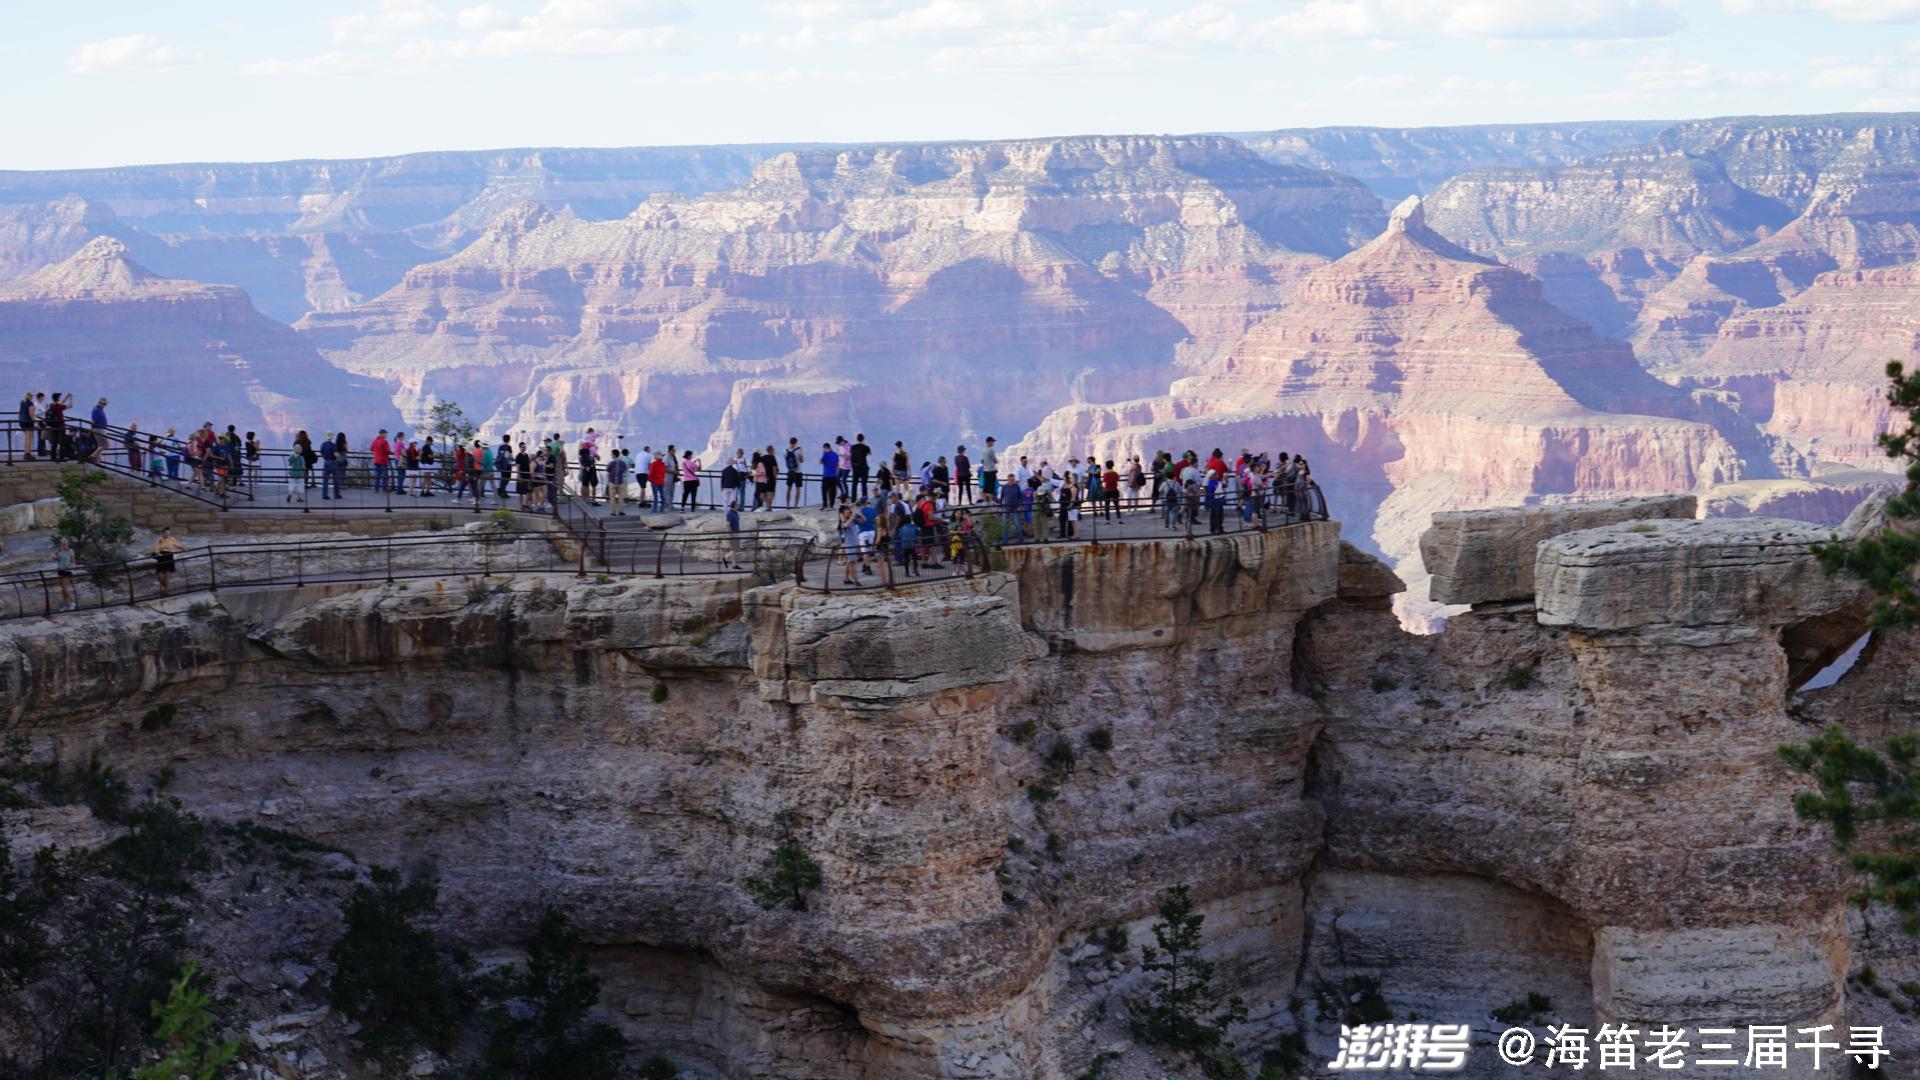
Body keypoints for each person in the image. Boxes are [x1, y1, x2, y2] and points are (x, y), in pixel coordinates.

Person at [152, 527, 184, 596]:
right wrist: (158, 553)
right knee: (160, 575)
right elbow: (156, 548)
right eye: (166, 533)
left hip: (169, 556)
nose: (168, 534)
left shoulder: (172, 539)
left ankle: (166, 591)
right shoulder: (159, 539)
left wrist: (182, 548)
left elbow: (177, 545)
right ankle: (167, 589)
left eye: (169, 533)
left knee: (167, 576)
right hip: (161, 557)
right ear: (163, 533)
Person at [838, 505, 862, 585]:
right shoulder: (844, 522)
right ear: (844, 514)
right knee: (852, 563)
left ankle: (846, 579)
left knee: (850, 562)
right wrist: (853, 515)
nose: (848, 514)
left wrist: (859, 513)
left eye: (849, 512)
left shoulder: (853, 520)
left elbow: (864, 520)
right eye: (846, 513)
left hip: (854, 544)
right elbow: (846, 525)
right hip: (849, 545)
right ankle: (855, 580)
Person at [54, 536, 77, 612]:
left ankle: (72, 602)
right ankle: (65, 604)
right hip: (59, 570)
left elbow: (73, 562)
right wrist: (56, 556)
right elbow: (55, 558)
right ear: (60, 544)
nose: (64, 545)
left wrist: (70, 566)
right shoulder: (58, 551)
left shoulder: (70, 551)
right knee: (62, 589)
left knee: (65, 587)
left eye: (65, 543)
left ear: (68, 544)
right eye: (62, 543)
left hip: (67, 570)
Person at [606, 449, 629, 515]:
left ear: (614, 455)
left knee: (612, 498)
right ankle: (621, 511)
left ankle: (613, 512)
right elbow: (625, 470)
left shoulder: (611, 463)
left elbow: (608, 471)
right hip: (620, 481)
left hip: (612, 482)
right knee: (621, 497)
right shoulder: (622, 463)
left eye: (611, 454)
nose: (611, 455)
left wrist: (608, 481)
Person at [818, 442, 839, 510]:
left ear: (825, 448)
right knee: (832, 491)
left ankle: (825, 505)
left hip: (826, 475)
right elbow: (837, 465)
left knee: (824, 490)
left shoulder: (825, 454)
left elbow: (820, 462)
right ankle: (831, 505)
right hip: (833, 475)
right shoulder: (835, 455)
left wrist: (823, 454)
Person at [721, 502, 742, 570]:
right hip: (732, 533)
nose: (738, 506)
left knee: (736, 549)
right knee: (734, 549)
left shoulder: (736, 513)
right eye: (737, 505)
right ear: (734, 506)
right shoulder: (730, 514)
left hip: (736, 533)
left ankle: (725, 557)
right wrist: (731, 534)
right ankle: (734, 565)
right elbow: (727, 524)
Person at [851, 434, 871, 498]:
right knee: (864, 484)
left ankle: (853, 499)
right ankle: (864, 499)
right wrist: (864, 444)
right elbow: (870, 453)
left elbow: (851, 455)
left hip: (855, 468)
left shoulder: (853, 447)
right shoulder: (866, 447)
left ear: (857, 439)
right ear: (863, 439)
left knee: (854, 484)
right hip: (864, 468)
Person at [16, 392, 34, 460]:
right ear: (30, 397)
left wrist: (19, 420)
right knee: (29, 438)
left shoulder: (22, 402)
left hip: (22, 421)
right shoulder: (30, 403)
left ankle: (25, 453)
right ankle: (28, 454)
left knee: (26, 438)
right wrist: (35, 421)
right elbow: (31, 413)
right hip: (28, 421)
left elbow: (19, 411)